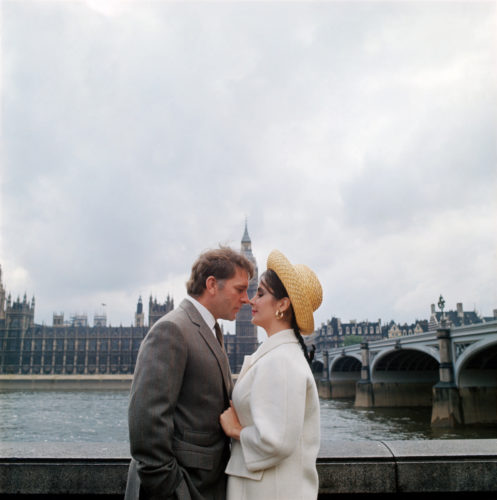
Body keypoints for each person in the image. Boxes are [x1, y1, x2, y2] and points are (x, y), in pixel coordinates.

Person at [125, 247, 254, 500]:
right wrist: (174, 489)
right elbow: (146, 424)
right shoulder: (172, 330)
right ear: (212, 285)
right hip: (181, 488)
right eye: (240, 289)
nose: (246, 299)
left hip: (206, 484)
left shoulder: (211, 330)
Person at [220, 249, 322, 500]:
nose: (250, 300)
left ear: (283, 305)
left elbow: (276, 441)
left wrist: (236, 430)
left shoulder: (282, 361)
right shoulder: (276, 355)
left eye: (260, 293)